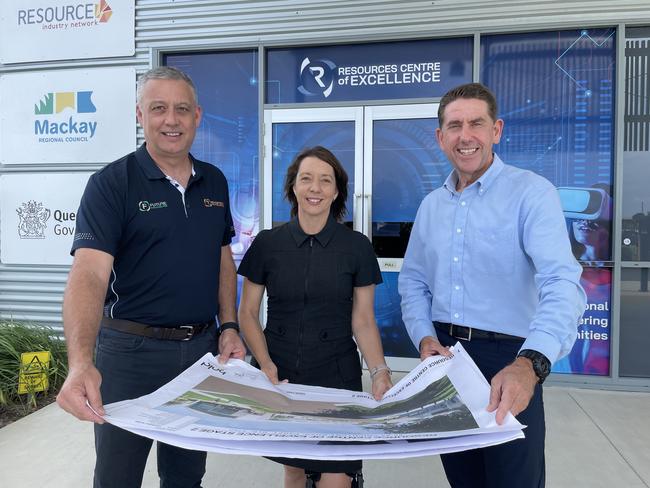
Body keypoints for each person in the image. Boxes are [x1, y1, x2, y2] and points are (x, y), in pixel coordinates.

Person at [56, 66, 246, 488]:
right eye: (158, 108)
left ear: (197, 116)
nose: (171, 120)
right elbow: (89, 273)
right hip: (129, 357)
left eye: (181, 109)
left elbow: (222, 259)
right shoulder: (111, 184)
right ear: (140, 115)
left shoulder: (213, 180)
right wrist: (80, 362)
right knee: (118, 478)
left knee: (185, 477)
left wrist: (229, 325)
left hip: (199, 353)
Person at [398, 83, 586, 487]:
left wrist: (531, 363)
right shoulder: (431, 206)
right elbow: (413, 281)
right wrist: (424, 337)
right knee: (463, 479)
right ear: (440, 137)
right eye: (454, 126)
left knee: (513, 480)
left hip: (511, 359)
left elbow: (562, 281)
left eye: (476, 124)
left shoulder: (532, 194)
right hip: (448, 358)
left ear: (496, 130)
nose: (465, 136)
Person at [238, 146, 392, 488]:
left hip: (336, 374)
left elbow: (363, 320)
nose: (315, 188)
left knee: (335, 475)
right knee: (294, 469)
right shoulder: (267, 243)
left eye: (326, 180)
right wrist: (264, 363)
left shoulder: (356, 246)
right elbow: (247, 313)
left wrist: (380, 371)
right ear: (293, 186)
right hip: (281, 373)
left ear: (337, 191)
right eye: (306, 179)